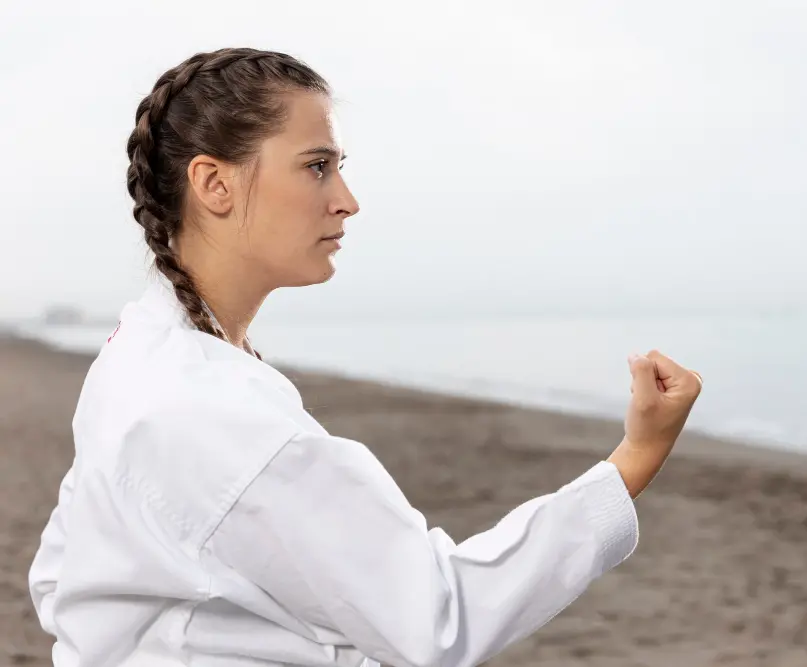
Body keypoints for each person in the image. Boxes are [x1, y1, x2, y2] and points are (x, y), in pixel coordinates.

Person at [28, 47, 703, 667]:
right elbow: (438, 616)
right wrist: (634, 459)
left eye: (339, 169)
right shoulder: (214, 412)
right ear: (214, 183)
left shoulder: (138, 352)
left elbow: (63, 575)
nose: (346, 201)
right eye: (316, 165)